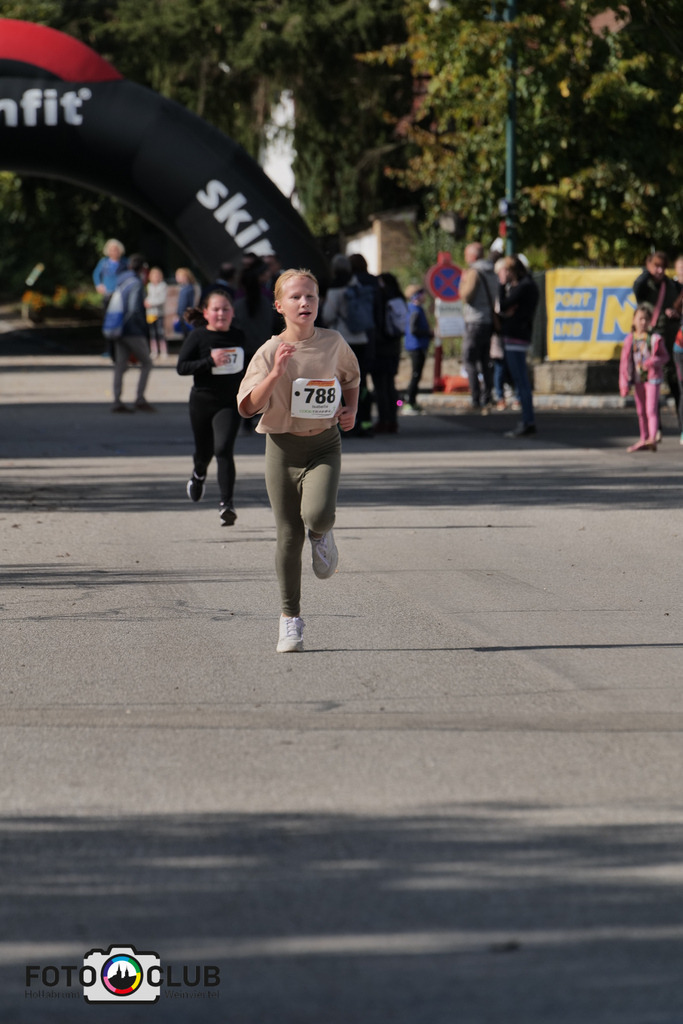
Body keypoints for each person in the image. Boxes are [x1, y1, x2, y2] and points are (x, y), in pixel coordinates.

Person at [237, 269, 360, 654]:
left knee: (318, 515)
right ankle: (290, 620)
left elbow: (351, 378)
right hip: (282, 449)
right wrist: (275, 373)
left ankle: (322, 535)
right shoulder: (269, 351)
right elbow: (247, 407)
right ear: (279, 306)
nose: (304, 303)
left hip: (324, 444)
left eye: (310, 296)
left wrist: (351, 410)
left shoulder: (333, 342)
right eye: (295, 297)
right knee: (289, 535)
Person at [176, 289, 247, 525]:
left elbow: (251, 367)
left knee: (224, 449)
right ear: (206, 313)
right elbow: (182, 367)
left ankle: (226, 504)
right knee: (204, 453)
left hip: (229, 403)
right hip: (202, 402)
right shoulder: (198, 336)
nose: (221, 313)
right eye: (216, 309)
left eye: (226, 309)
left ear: (232, 312)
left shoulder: (239, 336)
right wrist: (209, 362)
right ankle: (198, 475)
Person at [322, 253, 376, 436]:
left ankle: (344, 424)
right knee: (361, 383)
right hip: (362, 339)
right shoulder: (359, 286)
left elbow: (328, 315)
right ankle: (365, 422)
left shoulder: (335, 289)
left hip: (342, 341)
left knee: (341, 383)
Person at [632, 251, 681, 435]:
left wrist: (675, 314)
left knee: (676, 384)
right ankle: (654, 428)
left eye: (663, 267)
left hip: (669, 342)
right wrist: (648, 270)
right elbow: (636, 286)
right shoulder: (646, 286)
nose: (660, 271)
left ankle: (681, 426)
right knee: (651, 388)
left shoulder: (672, 286)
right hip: (649, 344)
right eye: (656, 266)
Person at [496, 255, 539, 437]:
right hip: (517, 334)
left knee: (521, 381)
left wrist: (501, 285)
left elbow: (504, 305)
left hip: (516, 336)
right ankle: (527, 420)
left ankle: (527, 421)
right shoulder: (526, 286)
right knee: (519, 380)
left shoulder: (524, 286)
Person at [619, 303, 669, 452]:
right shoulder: (630, 340)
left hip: (652, 378)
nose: (643, 322)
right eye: (640, 319)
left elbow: (665, 357)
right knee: (641, 411)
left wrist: (654, 361)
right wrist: (624, 383)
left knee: (651, 409)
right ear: (634, 320)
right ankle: (644, 438)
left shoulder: (654, 338)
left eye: (646, 319)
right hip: (637, 379)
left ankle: (652, 439)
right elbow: (624, 363)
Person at [110, 254, 155, 414]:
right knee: (147, 363)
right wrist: (143, 330)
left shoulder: (122, 281)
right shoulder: (136, 283)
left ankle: (116, 400)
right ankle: (140, 399)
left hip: (117, 328)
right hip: (132, 330)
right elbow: (134, 309)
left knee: (120, 365)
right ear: (143, 268)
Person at [459, 241, 498, 411]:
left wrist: (462, 283)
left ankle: (475, 397)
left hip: (474, 320)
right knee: (484, 360)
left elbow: (466, 296)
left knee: (469, 359)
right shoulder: (492, 271)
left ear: (472, 256)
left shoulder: (474, 272)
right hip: (488, 320)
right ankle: (487, 395)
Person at [373, 272, 407, 433]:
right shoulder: (399, 297)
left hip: (381, 346)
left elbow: (378, 322)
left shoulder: (381, 297)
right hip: (394, 346)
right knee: (391, 384)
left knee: (380, 386)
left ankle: (383, 420)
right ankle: (393, 420)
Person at [403, 284, 433, 413]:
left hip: (416, 345)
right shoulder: (415, 310)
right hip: (416, 346)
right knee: (416, 375)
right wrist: (428, 333)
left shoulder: (413, 308)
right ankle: (409, 401)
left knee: (417, 375)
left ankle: (412, 401)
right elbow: (413, 329)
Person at [92, 239, 127, 305]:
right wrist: (98, 285)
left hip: (121, 292)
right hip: (107, 292)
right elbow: (96, 274)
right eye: (111, 250)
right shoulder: (104, 262)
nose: (114, 252)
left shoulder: (125, 262)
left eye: (115, 250)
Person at [144, 266, 168, 359]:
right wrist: (146, 301)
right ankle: (154, 351)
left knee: (160, 332)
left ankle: (163, 350)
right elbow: (148, 297)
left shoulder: (163, 285)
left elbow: (162, 299)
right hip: (150, 313)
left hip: (159, 313)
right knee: (152, 333)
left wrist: (150, 303)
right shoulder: (149, 286)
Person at [174, 268, 200, 338]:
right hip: (184, 315)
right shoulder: (184, 288)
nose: (176, 278)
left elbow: (186, 304)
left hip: (186, 315)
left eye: (178, 276)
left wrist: (181, 314)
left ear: (185, 277)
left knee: (188, 336)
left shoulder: (189, 288)